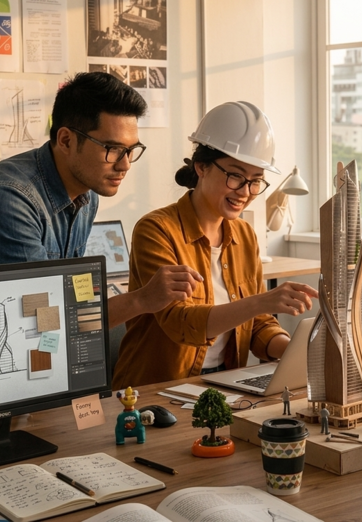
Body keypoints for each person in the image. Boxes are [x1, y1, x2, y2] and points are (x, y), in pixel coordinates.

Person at [0, 72, 202, 329]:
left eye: (131, 150)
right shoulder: (8, 199)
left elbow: (69, 288)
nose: (125, 165)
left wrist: (96, 298)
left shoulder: (87, 193)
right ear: (66, 141)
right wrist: (140, 300)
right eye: (112, 149)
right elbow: (42, 316)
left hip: (4, 335)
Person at [112, 101, 319, 388]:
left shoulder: (244, 235)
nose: (245, 192)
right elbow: (181, 323)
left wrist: (299, 352)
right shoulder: (156, 229)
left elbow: (257, 324)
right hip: (156, 390)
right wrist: (262, 301)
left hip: (224, 383)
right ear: (202, 167)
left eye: (256, 181)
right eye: (235, 176)